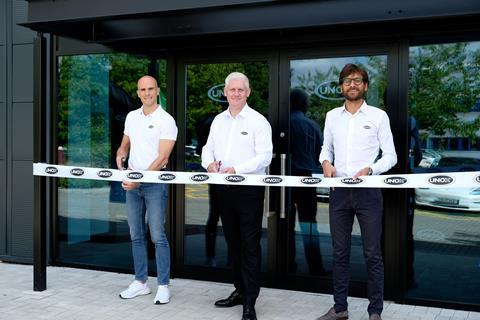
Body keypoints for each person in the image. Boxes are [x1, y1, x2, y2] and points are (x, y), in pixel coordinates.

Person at [317, 64, 397, 320]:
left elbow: (391, 156)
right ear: (341, 86)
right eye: (347, 81)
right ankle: (340, 308)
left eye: (358, 80)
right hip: (339, 191)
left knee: (372, 253)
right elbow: (325, 149)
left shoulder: (378, 116)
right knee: (339, 252)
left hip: (368, 193)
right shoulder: (331, 116)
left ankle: (375, 312)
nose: (352, 84)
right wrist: (325, 163)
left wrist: (370, 170)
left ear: (365, 85)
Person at [201, 72, 273, 320]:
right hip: (223, 189)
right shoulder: (218, 121)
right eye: (232, 90)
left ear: (248, 92)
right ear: (225, 92)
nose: (236, 93)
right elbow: (207, 149)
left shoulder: (258, 121)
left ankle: (250, 302)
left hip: (249, 190)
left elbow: (265, 156)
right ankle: (239, 290)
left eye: (241, 90)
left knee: (250, 245)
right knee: (233, 243)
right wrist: (209, 164)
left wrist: (237, 170)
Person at [116, 75, 178, 305]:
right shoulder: (132, 117)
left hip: (153, 184)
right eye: (142, 89)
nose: (147, 93)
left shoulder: (166, 120)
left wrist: (138, 180)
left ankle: (163, 286)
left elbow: (162, 158)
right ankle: (140, 282)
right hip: (132, 183)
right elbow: (125, 144)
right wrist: (120, 154)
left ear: (158, 90)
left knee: (157, 236)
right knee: (135, 235)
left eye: (151, 89)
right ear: (138, 92)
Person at [288, 88, 328, 276]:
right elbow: (321, 154)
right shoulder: (312, 126)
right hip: (305, 178)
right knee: (309, 224)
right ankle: (315, 266)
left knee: (284, 223)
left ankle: (287, 263)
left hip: (285, 178)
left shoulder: (282, 123)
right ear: (303, 104)